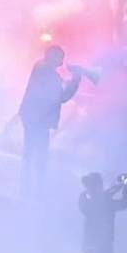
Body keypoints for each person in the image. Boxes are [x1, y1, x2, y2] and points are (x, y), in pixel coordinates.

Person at [18, 45, 82, 197]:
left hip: (33, 116)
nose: (62, 61)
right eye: (60, 57)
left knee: (30, 151)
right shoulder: (47, 73)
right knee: (39, 153)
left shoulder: (41, 67)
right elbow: (62, 97)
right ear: (53, 57)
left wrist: (72, 81)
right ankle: (36, 188)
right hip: (38, 119)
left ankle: (27, 185)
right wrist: (76, 80)